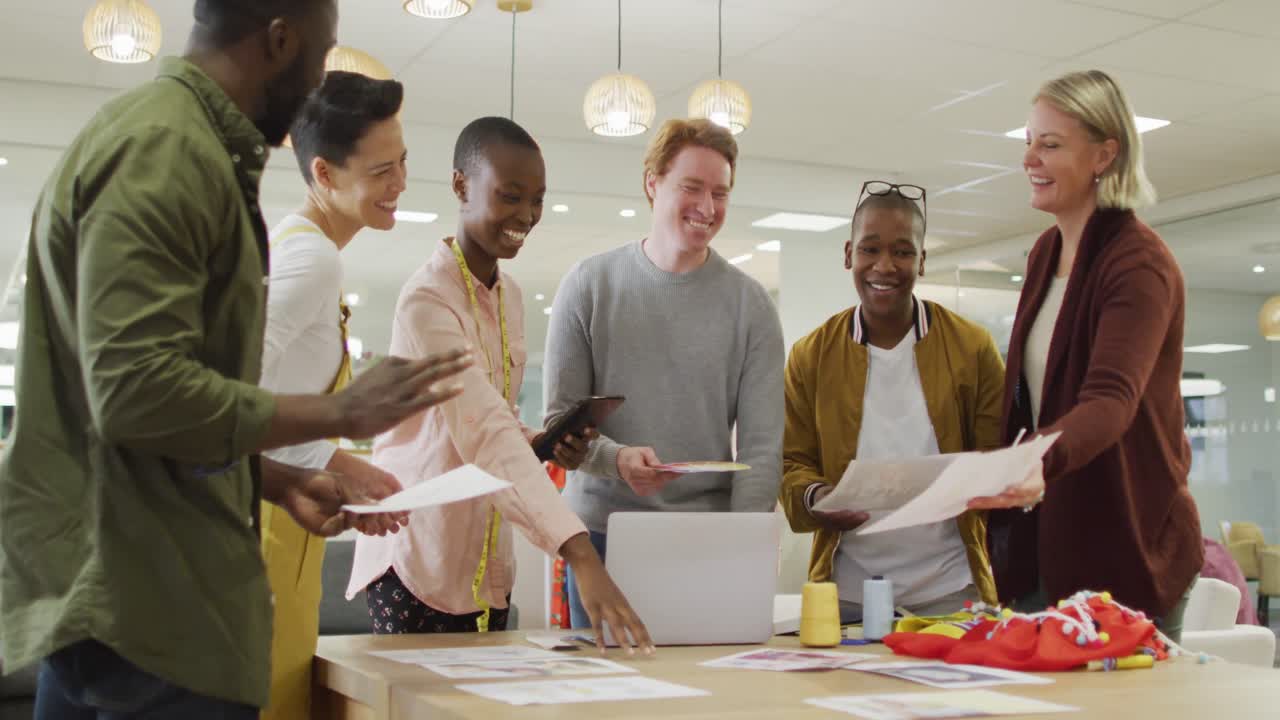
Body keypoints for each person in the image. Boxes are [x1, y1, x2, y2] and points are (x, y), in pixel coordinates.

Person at [0, 2, 473, 717]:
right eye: (320, 54)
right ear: (280, 40)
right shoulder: (167, 150)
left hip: (140, 596)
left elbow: (149, 419)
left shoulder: (176, 143)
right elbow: (135, 392)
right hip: (150, 610)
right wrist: (338, 413)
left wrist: (277, 480)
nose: (316, 82)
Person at [348, 117, 652, 654]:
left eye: (537, 200)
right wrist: (580, 553)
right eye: (511, 196)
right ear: (461, 186)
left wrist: (543, 442)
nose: (526, 216)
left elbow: (499, 418)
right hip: (419, 560)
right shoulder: (427, 299)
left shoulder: (508, 296)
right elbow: (482, 428)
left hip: (485, 561)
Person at [968, 70, 1203, 642]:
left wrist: (1033, 462)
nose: (1030, 158)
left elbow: (1110, 401)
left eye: (1050, 144)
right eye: (1029, 141)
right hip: (1045, 548)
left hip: (1127, 548)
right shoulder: (1045, 252)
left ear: (1104, 154)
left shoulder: (1137, 263)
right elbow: (1033, 399)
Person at [542, 118, 785, 630]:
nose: (708, 207)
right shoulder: (588, 285)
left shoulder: (751, 305)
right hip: (603, 538)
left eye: (720, 193)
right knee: (609, 682)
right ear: (652, 183)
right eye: (691, 187)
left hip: (709, 540)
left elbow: (762, 449)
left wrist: (741, 548)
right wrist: (617, 460)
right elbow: (560, 427)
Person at [258, 70, 413, 720]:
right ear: (323, 173)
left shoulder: (300, 247)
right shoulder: (312, 260)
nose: (400, 183)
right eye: (381, 170)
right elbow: (223, 401)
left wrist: (343, 469)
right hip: (266, 530)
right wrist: (326, 465)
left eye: (402, 162)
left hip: (284, 526)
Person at [779, 181, 1002, 622]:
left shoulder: (972, 347)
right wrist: (819, 496)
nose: (885, 265)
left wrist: (980, 483)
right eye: (870, 249)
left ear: (922, 260)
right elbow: (790, 463)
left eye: (902, 251)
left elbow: (996, 457)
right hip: (847, 591)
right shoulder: (811, 355)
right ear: (849, 254)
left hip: (952, 587)